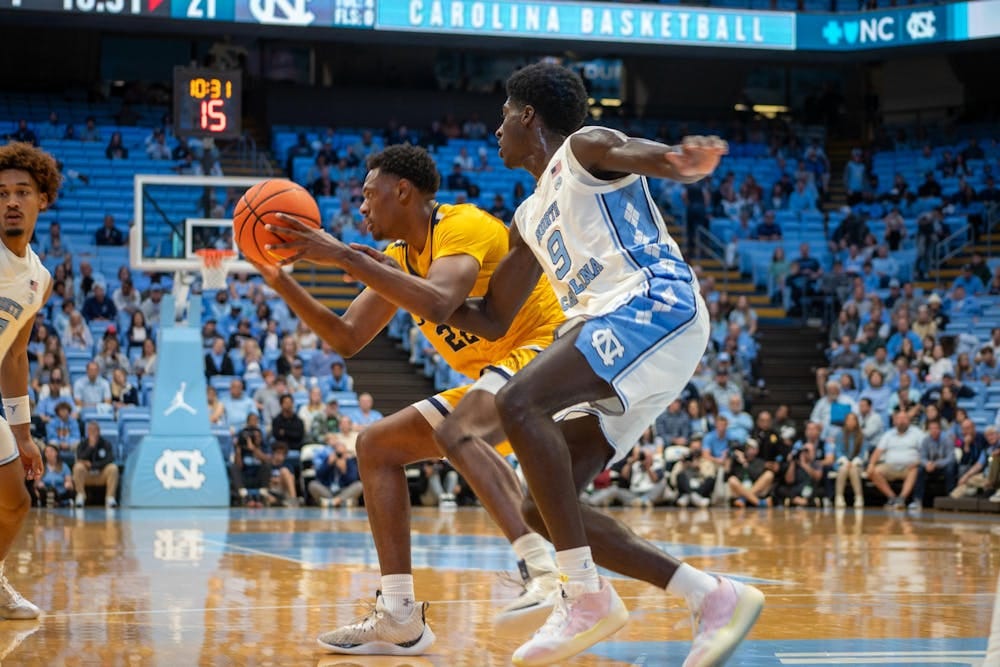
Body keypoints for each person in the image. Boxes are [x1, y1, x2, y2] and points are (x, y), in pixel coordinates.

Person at [442, 62, 763, 666]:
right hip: (621, 340)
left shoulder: (582, 149)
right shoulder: (528, 217)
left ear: (528, 115)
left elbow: (634, 151)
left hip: (652, 303)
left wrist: (677, 161)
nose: (496, 130)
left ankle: (584, 595)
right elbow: (491, 318)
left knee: (518, 401)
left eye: (503, 116)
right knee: (542, 502)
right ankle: (711, 597)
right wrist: (387, 279)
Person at [256, 143, 570, 654]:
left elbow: (440, 303)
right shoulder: (402, 258)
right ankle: (400, 615)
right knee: (376, 446)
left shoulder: (461, 225)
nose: (361, 206)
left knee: (459, 428)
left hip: (551, 355)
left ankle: (542, 569)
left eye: (368, 194)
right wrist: (280, 281)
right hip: (498, 376)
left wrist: (342, 254)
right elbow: (346, 337)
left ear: (402, 191)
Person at [0, 140, 57, 618]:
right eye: (1, 194)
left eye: (21, 192)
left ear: (43, 199)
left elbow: (16, 354)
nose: (11, 202)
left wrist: (23, 434)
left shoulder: (40, 278)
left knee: (16, 501)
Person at [72, 421, 119, 508]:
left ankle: (110, 497)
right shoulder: (83, 444)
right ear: (87, 432)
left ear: (99, 431)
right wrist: (91, 447)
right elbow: (80, 458)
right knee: (78, 467)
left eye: (95, 430)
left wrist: (93, 465)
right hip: (87, 475)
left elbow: (109, 459)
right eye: (90, 430)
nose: (92, 432)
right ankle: (81, 496)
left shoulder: (106, 444)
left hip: (101, 474)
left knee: (113, 468)